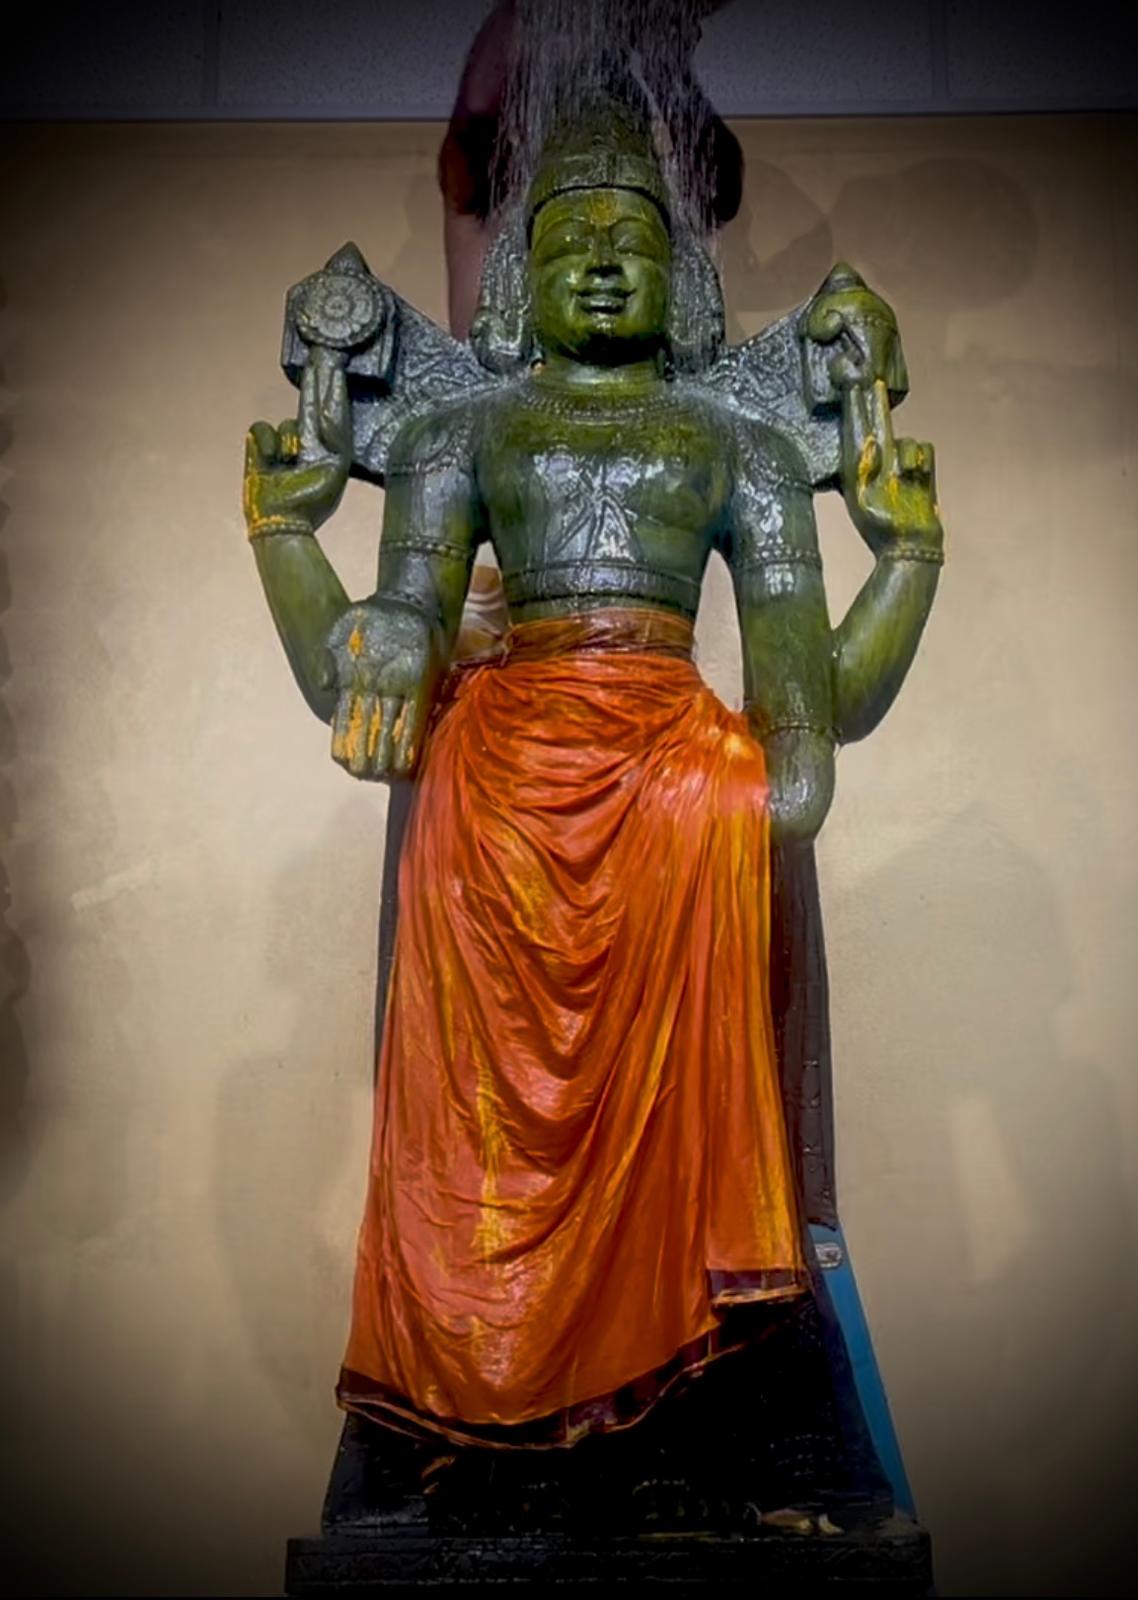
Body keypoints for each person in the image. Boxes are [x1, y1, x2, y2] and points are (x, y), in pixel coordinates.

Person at [242, 102, 942, 1521]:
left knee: (703, 886)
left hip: (674, 769)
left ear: (681, 282)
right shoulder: (461, 428)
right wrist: (292, 544)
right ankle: (486, 1387)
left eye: (636, 240)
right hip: (501, 781)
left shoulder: (740, 445)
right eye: (574, 239)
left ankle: (685, 1388)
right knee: (490, 1118)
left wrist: (907, 561)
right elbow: (383, 648)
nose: (607, 263)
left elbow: (810, 709)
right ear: (522, 278)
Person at [438, 0, 743, 337]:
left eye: (619, 134)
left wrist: (664, 62)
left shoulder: (655, 205)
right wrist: (532, 11)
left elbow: (719, 189)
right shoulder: (494, 201)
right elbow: (473, 124)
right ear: (524, 131)